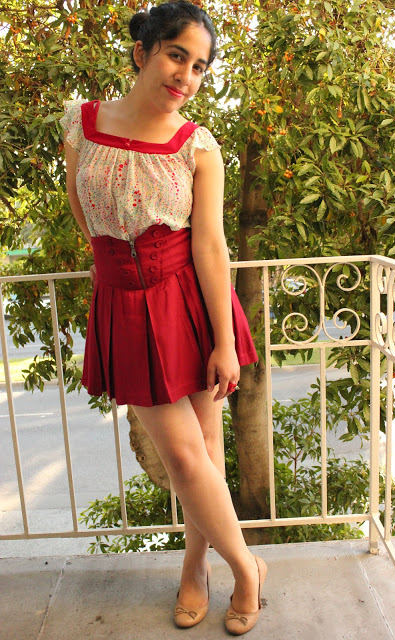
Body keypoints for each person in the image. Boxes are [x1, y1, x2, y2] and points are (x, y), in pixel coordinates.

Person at [60, 0, 267, 634]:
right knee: (183, 454)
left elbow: (210, 247)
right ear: (144, 50)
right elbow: (81, 213)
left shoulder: (198, 146)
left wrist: (225, 343)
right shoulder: (81, 124)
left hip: (188, 299)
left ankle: (198, 569)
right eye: (177, 55)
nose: (186, 75)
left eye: (199, 66)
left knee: (200, 450)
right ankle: (249, 567)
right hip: (124, 302)